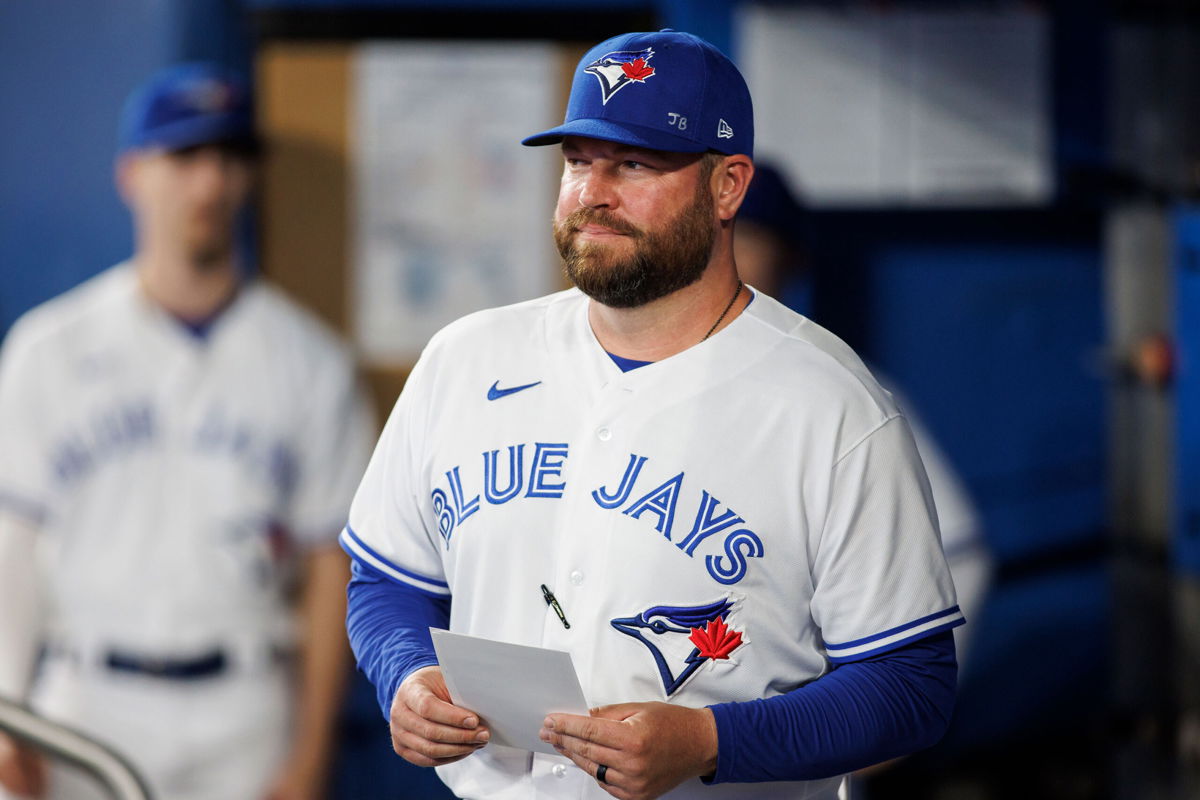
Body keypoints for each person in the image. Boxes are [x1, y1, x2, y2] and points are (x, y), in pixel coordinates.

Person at [342, 30, 963, 800]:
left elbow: (911, 685)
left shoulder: (830, 405)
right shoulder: (465, 360)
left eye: (634, 163)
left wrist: (710, 741)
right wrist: (407, 674)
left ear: (728, 186)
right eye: (577, 161)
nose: (592, 192)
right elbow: (385, 579)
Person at [0, 63, 375, 800]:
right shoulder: (47, 348)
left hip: (244, 705)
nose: (209, 184)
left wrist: (306, 760)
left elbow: (332, 567)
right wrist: (7, 713)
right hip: (85, 699)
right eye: (184, 157)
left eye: (229, 159)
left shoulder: (312, 361)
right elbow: (8, 543)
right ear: (132, 173)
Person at [733, 163, 992, 675]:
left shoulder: (843, 389)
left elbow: (962, 560)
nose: (722, 255)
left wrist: (863, 743)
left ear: (790, 258)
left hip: (776, 733)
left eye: (746, 235)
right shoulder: (640, 382)